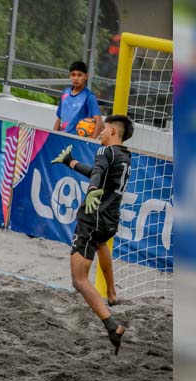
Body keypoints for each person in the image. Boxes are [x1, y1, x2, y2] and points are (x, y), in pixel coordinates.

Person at [49, 115, 134, 355]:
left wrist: (94, 190)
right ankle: (112, 294)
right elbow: (97, 172)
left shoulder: (104, 151)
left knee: (79, 280)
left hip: (92, 217)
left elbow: (97, 174)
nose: (100, 132)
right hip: (109, 219)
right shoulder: (125, 155)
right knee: (101, 244)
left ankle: (111, 325)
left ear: (114, 132)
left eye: (104, 129)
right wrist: (70, 162)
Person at [54, 61, 103, 138]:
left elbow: (99, 122)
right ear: (70, 76)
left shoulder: (89, 97)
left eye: (79, 75)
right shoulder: (65, 93)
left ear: (86, 76)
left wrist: (90, 143)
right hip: (62, 138)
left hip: (77, 141)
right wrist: (53, 136)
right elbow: (59, 118)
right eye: (73, 75)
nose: (76, 78)